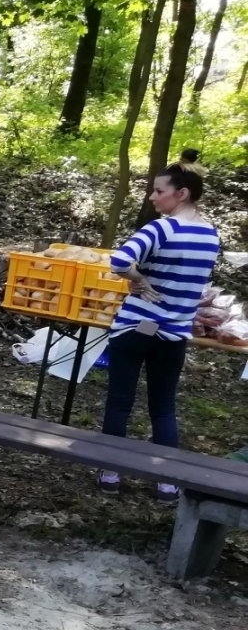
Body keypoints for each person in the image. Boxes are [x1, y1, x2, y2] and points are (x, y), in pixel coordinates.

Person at [97, 151, 219, 501]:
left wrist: (139, 279)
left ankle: (110, 473)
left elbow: (119, 260)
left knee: (120, 402)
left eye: (158, 190)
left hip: (134, 328)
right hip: (174, 334)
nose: (152, 197)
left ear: (181, 194)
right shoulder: (210, 235)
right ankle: (166, 481)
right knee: (163, 406)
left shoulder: (163, 226)